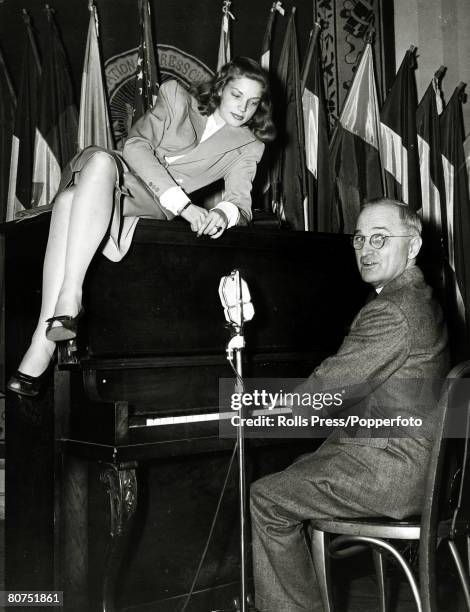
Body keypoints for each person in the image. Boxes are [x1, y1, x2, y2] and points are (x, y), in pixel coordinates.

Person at [7, 57, 275, 398]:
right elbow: (135, 146)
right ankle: (67, 303)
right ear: (221, 88)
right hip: (117, 175)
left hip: (150, 204)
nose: (243, 108)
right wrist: (184, 205)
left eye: (253, 102)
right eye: (237, 95)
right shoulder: (176, 95)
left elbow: (240, 202)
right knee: (101, 162)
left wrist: (223, 214)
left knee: (70, 202)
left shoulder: (249, 145)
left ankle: (44, 339)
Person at [250, 199, 449, 612]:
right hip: (424, 466)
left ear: (412, 246)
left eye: (380, 238)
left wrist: (272, 407)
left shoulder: (393, 309)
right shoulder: (420, 297)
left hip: (395, 473)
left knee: (267, 497)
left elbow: (333, 383)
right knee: (295, 473)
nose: (366, 249)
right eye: (359, 239)